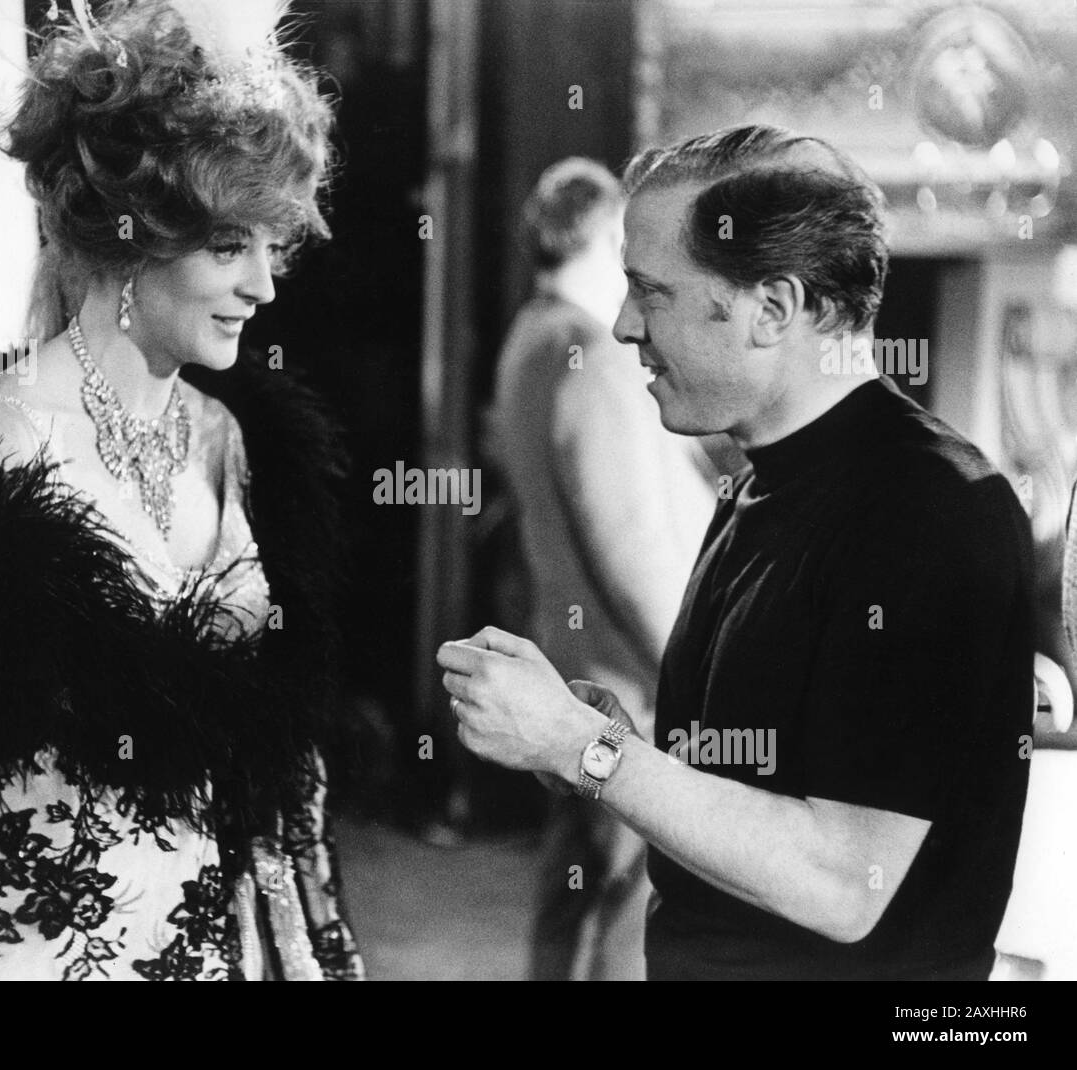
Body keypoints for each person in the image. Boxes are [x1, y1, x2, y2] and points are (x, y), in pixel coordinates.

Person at [0, 0, 363, 981]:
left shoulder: (226, 433)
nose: (266, 283)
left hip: (223, 932)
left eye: (275, 246)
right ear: (134, 236)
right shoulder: (10, 434)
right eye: (230, 246)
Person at [439, 124, 1034, 981]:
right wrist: (599, 733)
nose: (621, 323)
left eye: (653, 292)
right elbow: (766, 777)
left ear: (774, 309)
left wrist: (586, 749)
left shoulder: (928, 510)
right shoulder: (761, 480)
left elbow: (843, 881)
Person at [488, 158, 714, 980]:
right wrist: (696, 666)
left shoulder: (530, 337)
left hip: (574, 662)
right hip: (632, 683)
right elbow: (631, 542)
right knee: (630, 913)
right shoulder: (588, 349)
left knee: (574, 893)